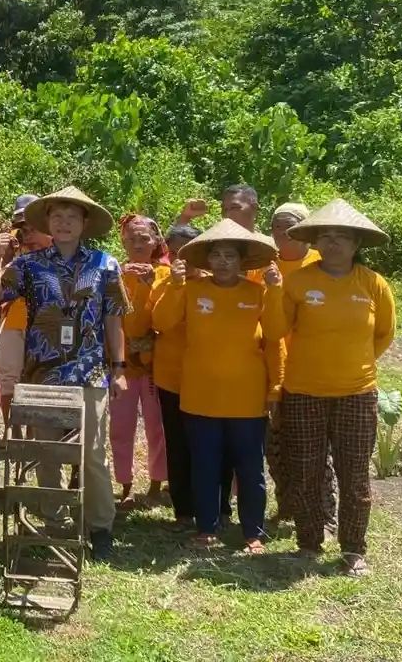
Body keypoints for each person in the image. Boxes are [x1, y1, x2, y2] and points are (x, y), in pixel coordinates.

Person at [0, 185, 128, 560]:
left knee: (94, 454)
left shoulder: (105, 264)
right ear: (47, 222)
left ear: (85, 223)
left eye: (72, 217)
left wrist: (119, 367)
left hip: (90, 372)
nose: (64, 224)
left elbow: (114, 320)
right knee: (46, 451)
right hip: (42, 374)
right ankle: (54, 521)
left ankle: (100, 528)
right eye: (57, 217)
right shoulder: (28, 265)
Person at [153, 220, 286, 552]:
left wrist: (277, 291)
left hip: (247, 398)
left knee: (250, 469)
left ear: (243, 262)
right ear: (207, 260)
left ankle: (252, 532)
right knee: (205, 465)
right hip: (199, 396)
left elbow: (275, 334)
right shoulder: (192, 289)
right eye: (217, 255)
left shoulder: (258, 292)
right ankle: (206, 528)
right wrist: (175, 285)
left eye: (230, 255)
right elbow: (162, 323)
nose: (223, 261)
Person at [281, 199, 396, 577]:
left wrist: (353, 364)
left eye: (342, 237)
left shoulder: (374, 284)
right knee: (306, 471)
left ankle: (353, 549)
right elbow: (279, 329)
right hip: (302, 391)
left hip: (356, 393)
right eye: (325, 236)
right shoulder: (297, 281)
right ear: (315, 242)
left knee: (354, 474)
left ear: (356, 244)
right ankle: (309, 544)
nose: (333, 243)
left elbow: (383, 336)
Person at [265, 201, 335, 526]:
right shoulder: (263, 266)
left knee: (316, 448)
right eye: (277, 224)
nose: (282, 231)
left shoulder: (321, 265)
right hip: (271, 370)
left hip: (311, 371)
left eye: (290, 224)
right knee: (276, 447)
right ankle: (288, 505)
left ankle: (325, 511)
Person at [145, 223, 205, 528]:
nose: (184, 258)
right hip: (171, 377)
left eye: (190, 251)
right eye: (177, 252)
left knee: (206, 445)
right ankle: (183, 512)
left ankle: (213, 510)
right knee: (178, 444)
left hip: (207, 378)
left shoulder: (212, 283)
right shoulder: (164, 283)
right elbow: (161, 322)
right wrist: (178, 286)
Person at [112, 214, 169, 507]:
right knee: (120, 427)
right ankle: (125, 485)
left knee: (156, 425)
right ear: (123, 240)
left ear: (157, 241)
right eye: (132, 238)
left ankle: (158, 485)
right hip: (122, 361)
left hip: (155, 364)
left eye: (144, 238)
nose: (138, 243)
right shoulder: (114, 273)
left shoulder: (167, 275)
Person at [0, 195, 50, 442]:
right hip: (15, 321)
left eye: (32, 227)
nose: (27, 233)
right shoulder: (17, 256)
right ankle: (10, 428)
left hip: (46, 327)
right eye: (23, 228)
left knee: (39, 382)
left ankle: (35, 432)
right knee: (9, 380)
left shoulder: (60, 256)